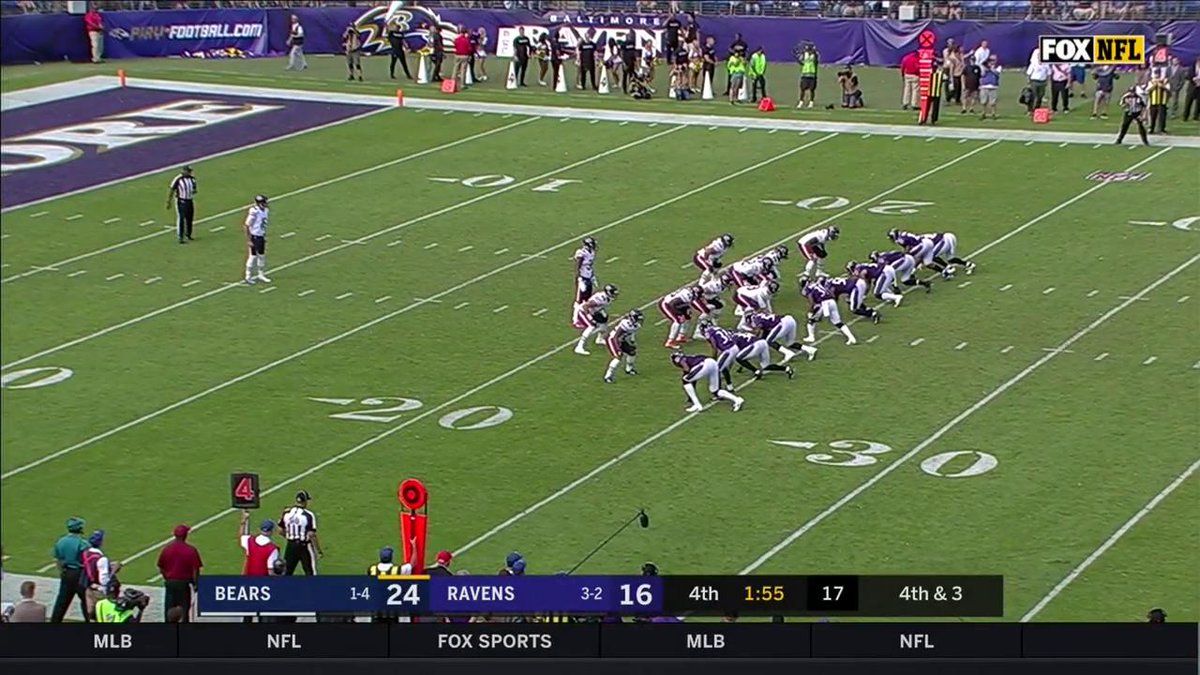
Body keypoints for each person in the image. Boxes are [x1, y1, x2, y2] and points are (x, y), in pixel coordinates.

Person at [156, 524, 202, 622]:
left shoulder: (167, 549)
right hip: (183, 584)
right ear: (185, 535)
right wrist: (196, 584)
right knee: (184, 610)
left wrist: (167, 578)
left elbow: (161, 567)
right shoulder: (191, 550)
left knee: (169, 610)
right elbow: (195, 570)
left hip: (170, 583)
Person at [50, 517, 90, 623]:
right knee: (86, 601)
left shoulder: (61, 541)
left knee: (61, 602)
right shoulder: (83, 544)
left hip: (66, 573)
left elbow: (58, 560)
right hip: (80, 574)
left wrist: (62, 571)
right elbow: (88, 562)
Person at [281, 490, 322, 576]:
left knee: (287, 571)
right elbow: (311, 535)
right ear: (305, 501)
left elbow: (280, 530)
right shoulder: (308, 515)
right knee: (310, 572)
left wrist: (290, 536)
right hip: (304, 546)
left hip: (290, 545)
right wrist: (318, 550)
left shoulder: (287, 513)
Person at [81, 530, 118, 620]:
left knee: (91, 613)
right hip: (99, 591)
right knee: (103, 615)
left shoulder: (85, 553)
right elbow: (103, 580)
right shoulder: (102, 559)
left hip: (89, 588)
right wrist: (113, 571)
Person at [243, 194, 270, 285]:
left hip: (260, 235)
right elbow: (247, 225)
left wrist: (264, 235)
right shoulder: (254, 211)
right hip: (254, 236)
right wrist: (249, 240)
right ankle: (248, 276)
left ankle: (260, 274)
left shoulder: (266, 210)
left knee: (262, 256)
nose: (266, 204)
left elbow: (263, 225)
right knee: (253, 256)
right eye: (265, 202)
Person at [166, 165, 197, 244]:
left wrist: (192, 190)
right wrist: (169, 201)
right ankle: (180, 237)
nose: (189, 173)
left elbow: (194, 189)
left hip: (190, 200)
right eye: (188, 171)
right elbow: (172, 189)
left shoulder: (192, 179)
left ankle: (188, 234)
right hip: (181, 201)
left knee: (190, 218)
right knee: (182, 218)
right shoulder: (178, 179)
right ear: (184, 171)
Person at [796, 42, 819, 109]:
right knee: (802, 89)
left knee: (812, 89)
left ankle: (811, 102)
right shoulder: (804, 54)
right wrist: (799, 59)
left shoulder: (815, 55)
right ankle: (801, 102)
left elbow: (816, 61)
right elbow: (801, 62)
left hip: (812, 74)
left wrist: (814, 53)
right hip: (805, 74)